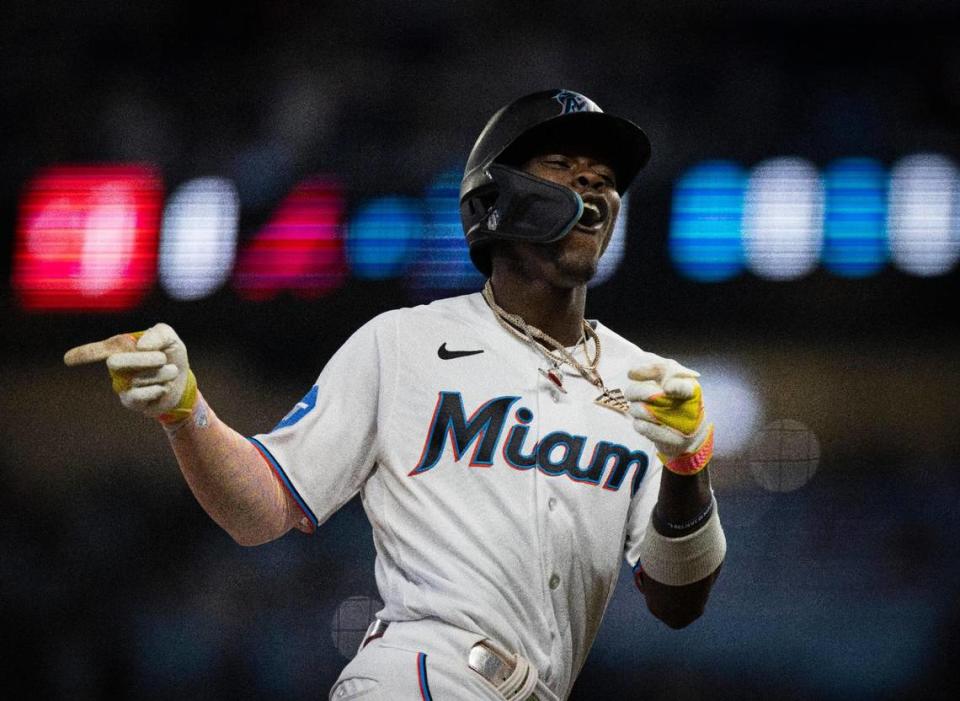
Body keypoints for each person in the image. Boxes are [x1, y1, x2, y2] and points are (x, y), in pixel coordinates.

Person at [65, 89, 725, 701]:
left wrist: (687, 464)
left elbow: (677, 602)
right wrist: (187, 412)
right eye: (562, 164)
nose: (593, 184)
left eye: (605, 178)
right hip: (415, 677)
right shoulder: (404, 343)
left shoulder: (646, 383)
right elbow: (261, 510)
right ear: (494, 197)